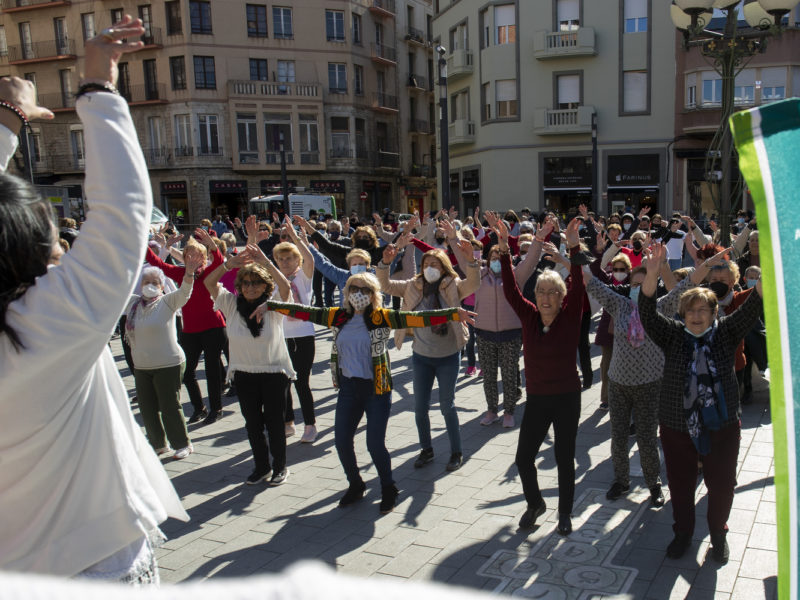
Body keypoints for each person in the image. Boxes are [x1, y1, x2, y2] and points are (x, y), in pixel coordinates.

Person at [0, 19, 189, 581]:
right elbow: (123, 215)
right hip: (95, 562)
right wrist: (100, 90)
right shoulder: (48, 324)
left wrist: (7, 126)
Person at [252, 273, 475, 513]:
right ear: (347, 292)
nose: (359, 294)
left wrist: (453, 313)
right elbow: (304, 311)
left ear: (374, 295)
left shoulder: (381, 317)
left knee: (375, 445)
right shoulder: (337, 316)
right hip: (348, 389)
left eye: (365, 290)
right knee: (341, 441)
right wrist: (271, 305)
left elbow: (417, 318)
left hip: (376, 389)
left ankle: (389, 487)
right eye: (354, 288)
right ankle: (355, 484)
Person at [638, 244, 764, 563]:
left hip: (721, 425)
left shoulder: (726, 333)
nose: (696, 316)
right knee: (680, 484)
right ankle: (682, 533)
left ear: (713, 313)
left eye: (703, 310)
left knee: (722, 484)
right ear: (682, 314)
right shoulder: (673, 335)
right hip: (677, 425)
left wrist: (774, 259)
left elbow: (756, 303)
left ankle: (718, 535)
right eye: (691, 311)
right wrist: (651, 276)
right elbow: (646, 314)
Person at [498, 218, 584, 536]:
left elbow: (577, 279)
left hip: (566, 398)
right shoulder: (529, 316)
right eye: (541, 292)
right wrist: (505, 246)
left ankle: (564, 514)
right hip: (536, 398)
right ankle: (535, 503)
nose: (546, 297)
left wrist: (573, 244)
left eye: (552, 292)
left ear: (562, 298)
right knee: (523, 459)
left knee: (564, 457)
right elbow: (509, 289)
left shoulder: (571, 316)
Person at [377, 232, 480, 472]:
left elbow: (474, 283)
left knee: (447, 406)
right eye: (426, 264)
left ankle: (456, 452)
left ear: (443, 267)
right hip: (422, 356)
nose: (430, 267)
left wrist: (471, 261)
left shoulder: (452, 285)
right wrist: (385, 263)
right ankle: (426, 449)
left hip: (448, 356)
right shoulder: (413, 285)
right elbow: (386, 285)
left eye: (435, 264)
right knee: (420, 407)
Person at [204, 245, 295, 486]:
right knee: (253, 425)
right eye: (246, 283)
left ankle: (280, 467)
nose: (251, 287)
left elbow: (285, 287)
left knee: (275, 424)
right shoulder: (231, 305)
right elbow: (208, 283)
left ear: (266, 286)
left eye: (256, 283)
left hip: (274, 373)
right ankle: (261, 467)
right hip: (244, 374)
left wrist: (266, 261)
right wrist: (228, 265)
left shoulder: (273, 304)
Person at [145, 228, 228, 424]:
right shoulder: (179, 273)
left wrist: (211, 244)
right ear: (183, 257)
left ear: (203, 258)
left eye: (197, 254)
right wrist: (142, 242)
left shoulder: (209, 271)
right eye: (188, 254)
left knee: (212, 371)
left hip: (213, 327)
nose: (192, 257)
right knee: (186, 371)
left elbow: (219, 261)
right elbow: (157, 263)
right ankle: (199, 407)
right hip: (190, 330)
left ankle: (216, 409)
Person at [474, 221, 551, 428]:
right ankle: (491, 410)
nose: (496, 261)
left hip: (511, 333)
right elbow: (465, 261)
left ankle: (509, 411)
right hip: (484, 333)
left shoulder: (516, 275)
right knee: (489, 376)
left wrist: (539, 238)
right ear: (487, 260)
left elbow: (532, 260)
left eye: (500, 258)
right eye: (493, 258)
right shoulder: (479, 276)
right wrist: (454, 239)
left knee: (509, 375)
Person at [125, 257, 202, 460]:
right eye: (145, 282)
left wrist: (189, 273)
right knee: (147, 407)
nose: (149, 286)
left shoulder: (167, 301)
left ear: (161, 285)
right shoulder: (133, 304)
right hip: (142, 365)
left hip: (168, 363)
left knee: (169, 405)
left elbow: (185, 291)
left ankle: (183, 443)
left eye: (154, 283)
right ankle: (158, 444)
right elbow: (114, 293)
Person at [272, 220, 319, 442]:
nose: (285, 262)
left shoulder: (303, 276)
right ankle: (288, 422)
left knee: (302, 382)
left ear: (296, 259)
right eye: (281, 259)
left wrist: (293, 235)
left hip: (303, 336)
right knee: (281, 384)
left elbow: (309, 258)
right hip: (281, 337)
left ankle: (310, 425)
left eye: (289, 258)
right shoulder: (274, 280)